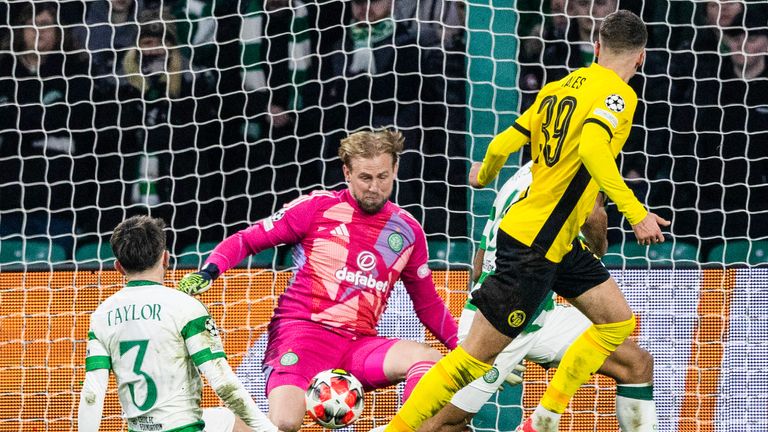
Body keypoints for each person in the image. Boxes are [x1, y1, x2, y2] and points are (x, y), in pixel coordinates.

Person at [381, 10, 669, 432]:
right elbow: (592, 145)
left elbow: (505, 140)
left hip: (558, 240)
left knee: (619, 321)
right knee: (468, 363)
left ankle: (544, 417)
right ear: (641, 57)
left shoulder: (559, 87)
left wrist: (487, 171)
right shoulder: (618, 95)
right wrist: (636, 212)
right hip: (533, 244)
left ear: (597, 47)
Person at [177, 129, 459, 432]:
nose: (374, 187)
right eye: (365, 178)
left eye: (382, 177)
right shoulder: (316, 208)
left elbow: (428, 304)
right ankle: (203, 423)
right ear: (347, 172)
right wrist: (209, 271)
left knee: (426, 359)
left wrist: (468, 352)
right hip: (301, 334)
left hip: (358, 345)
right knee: (284, 423)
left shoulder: (407, 231)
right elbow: (247, 240)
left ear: (396, 170)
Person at [420, 161, 658, 432]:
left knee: (635, 364)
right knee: (442, 425)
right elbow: (593, 218)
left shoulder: (524, 174)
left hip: (536, 314)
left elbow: (478, 264)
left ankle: (540, 419)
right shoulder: (581, 163)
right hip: (505, 318)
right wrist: (494, 342)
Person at [77, 215, 276, 432]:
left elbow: (92, 392)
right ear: (166, 258)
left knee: (227, 421)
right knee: (245, 424)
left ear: (118, 267)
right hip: (185, 428)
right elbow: (223, 381)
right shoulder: (185, 306)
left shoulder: (102, 315)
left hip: (139, 429)